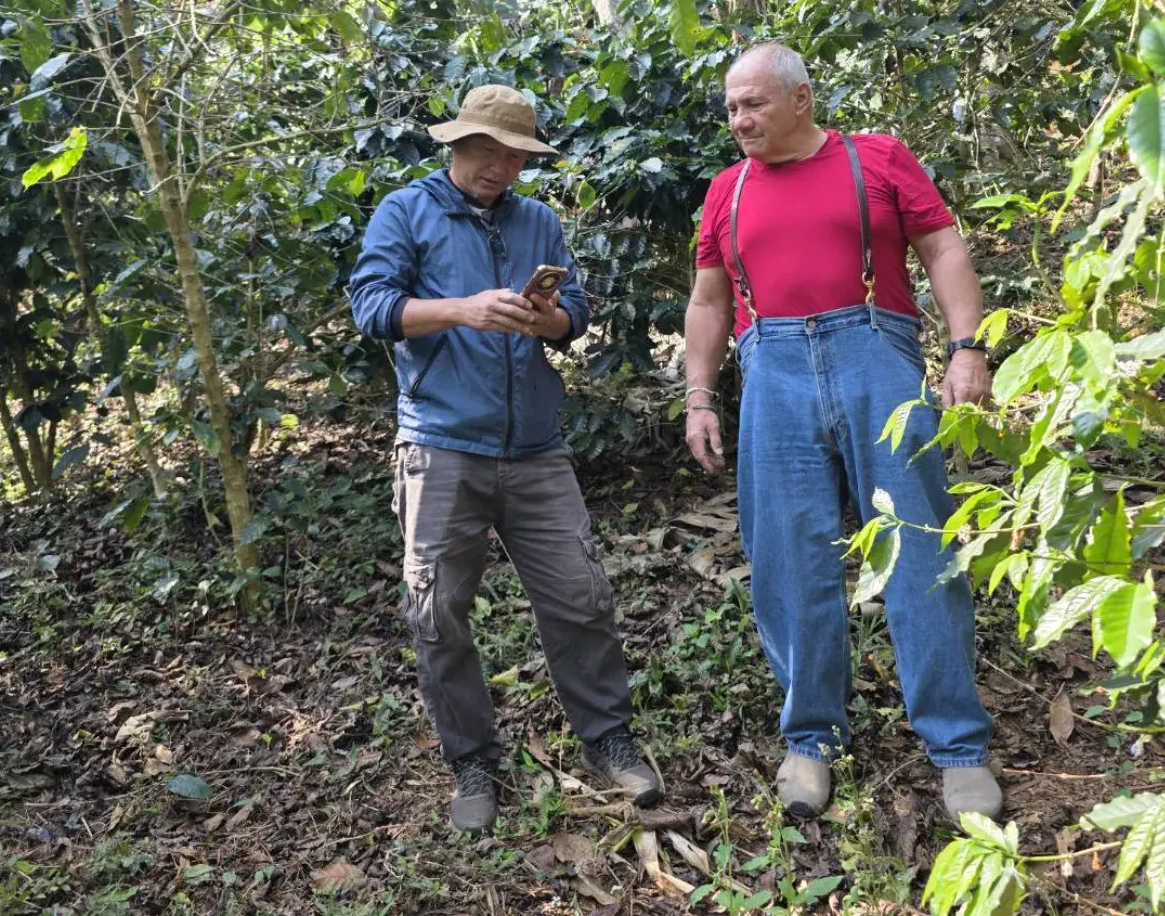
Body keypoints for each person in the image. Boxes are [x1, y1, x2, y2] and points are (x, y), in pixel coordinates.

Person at [682, 43, 1001, 822]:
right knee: (788, 556)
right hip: (774, 373)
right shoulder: (727, 190)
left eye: (753, 103)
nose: (740, 120)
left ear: (801, 97)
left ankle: (958, 747)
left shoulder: (878, 159)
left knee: (920, 544)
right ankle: (811, 738)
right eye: (730, 108)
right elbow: (710, 302)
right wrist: (698, 394)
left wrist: (967, 347)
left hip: (877, 359)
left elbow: (942, 248)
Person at [350, 84, 661, 833]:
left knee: (581, 594)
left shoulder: (538, 221)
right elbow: (371, 307)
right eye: (487, 151)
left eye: (515, 156)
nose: (500, 167)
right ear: (456, 144)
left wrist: (544, 316)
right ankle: (474, 762)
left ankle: (608, 738)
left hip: (535, 447)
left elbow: (574, 315)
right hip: (440, 443)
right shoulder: (408, 211)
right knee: (437, 610)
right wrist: (464, 308)